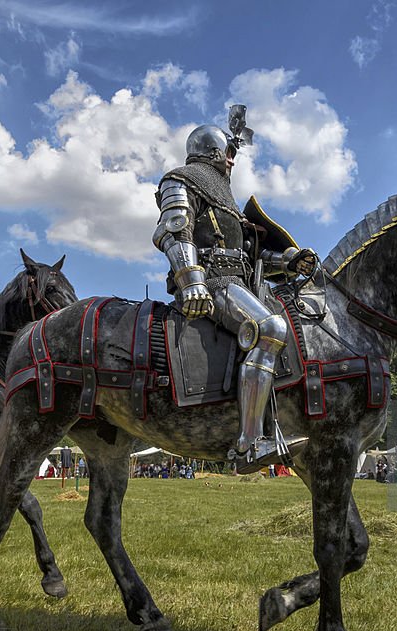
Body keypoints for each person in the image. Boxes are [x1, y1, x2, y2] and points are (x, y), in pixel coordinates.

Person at [153, 106, 317, 466]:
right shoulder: (180, 180)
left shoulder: (227, 204)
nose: (232, 161)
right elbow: (173, 231)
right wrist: (191, 280)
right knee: (270, 328)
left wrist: (288, 261)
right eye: (228, 154)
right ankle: (248, 443)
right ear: (212, 153)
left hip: (237, 282)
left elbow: (248, 257)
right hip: (212, 282)